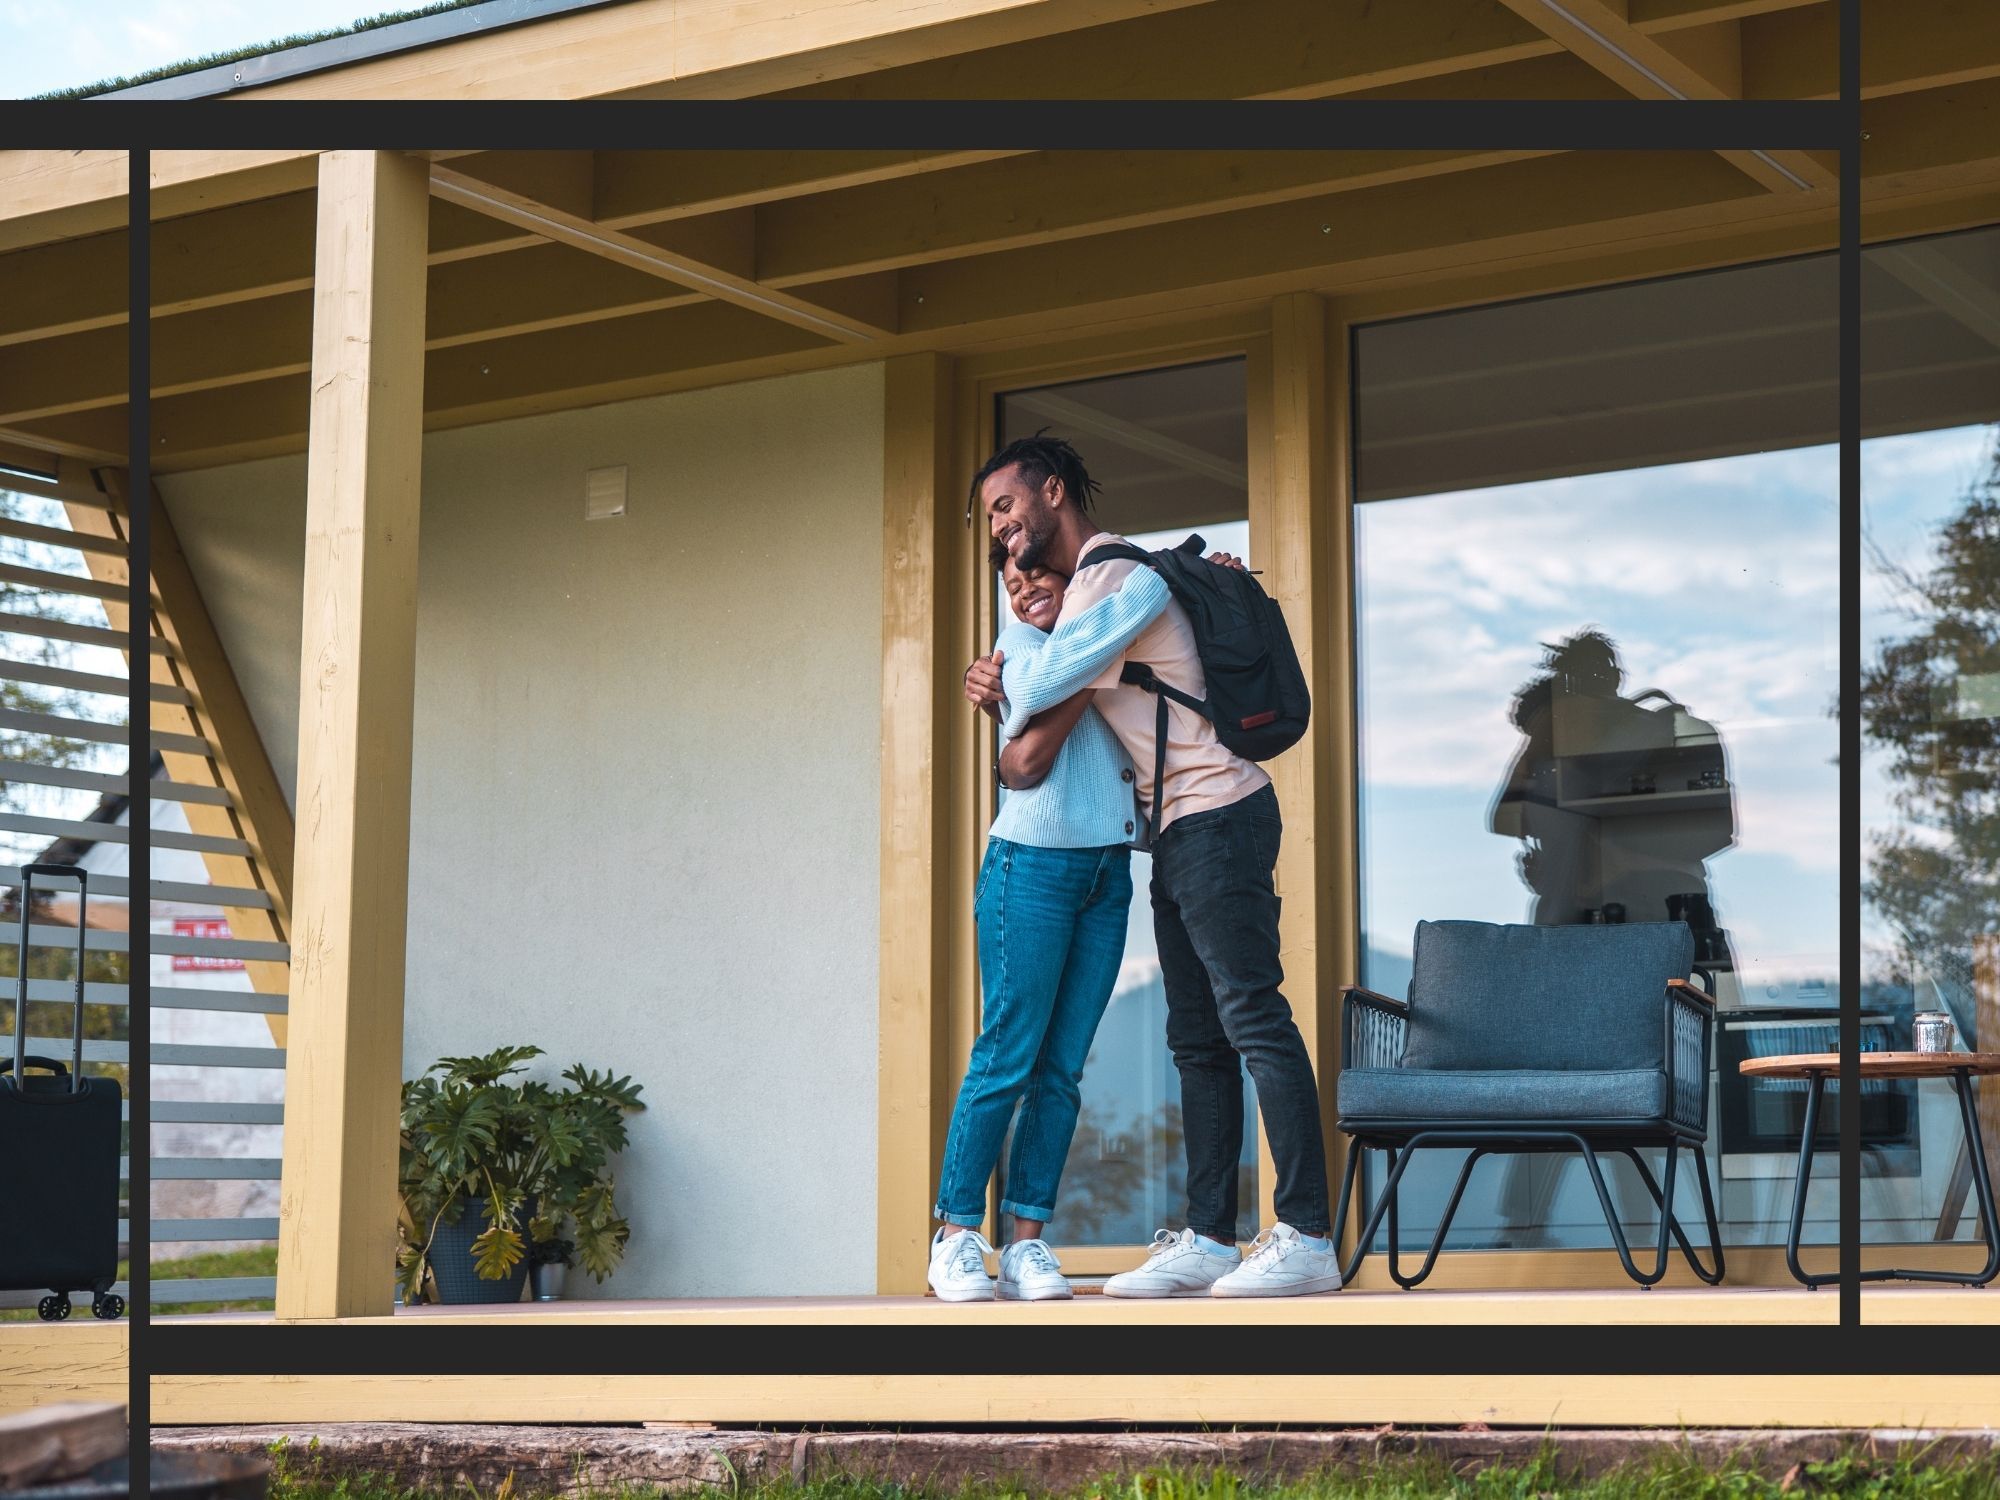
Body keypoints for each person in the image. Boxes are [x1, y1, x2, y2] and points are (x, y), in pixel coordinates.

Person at [963, 433, 1342, 1298]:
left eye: (1007, 506)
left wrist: (1005, 674)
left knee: (1253, 1018)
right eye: (990, 518)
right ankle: (1211, 1236)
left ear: (1053, 492)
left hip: (1220, 812)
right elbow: (1031, 735)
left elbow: (1041, 686)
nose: (999, 528)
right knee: (1195, 1038)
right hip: (1174, 831)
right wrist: (1023, 653)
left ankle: (1309, 1233)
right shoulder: (1086, 591)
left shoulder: (1118, 579)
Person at [927, 540, 1170, 1302]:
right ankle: (957, 1233)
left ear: (1079, 582)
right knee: (1008, 1052)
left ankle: (1026, 1241)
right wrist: (1102, 659)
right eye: (1011, 579)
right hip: (1028, 867)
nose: (1024, 586)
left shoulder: (1086, 634)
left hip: (1107, 870)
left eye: (1039, 574)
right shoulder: (1021, 648)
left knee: (1061, 1069)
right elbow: (1025, 749)